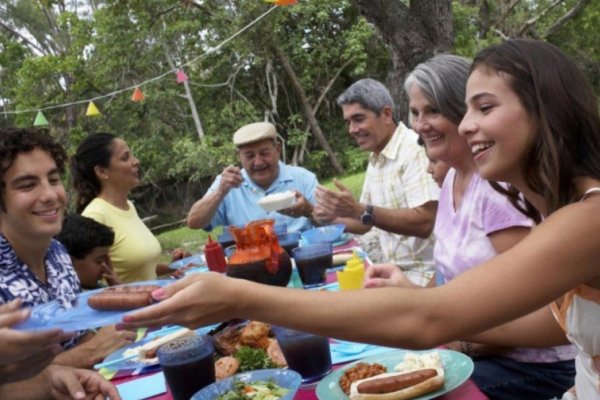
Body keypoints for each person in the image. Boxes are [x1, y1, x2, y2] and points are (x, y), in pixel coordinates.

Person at [122, 39, 600, 399]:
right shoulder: (549, 205)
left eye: (484, 107)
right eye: (465, 108)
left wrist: (238, 294)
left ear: (545, 109)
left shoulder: (587, 219)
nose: (466, 123)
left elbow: (428, 317)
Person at [364, 54, 575, 399]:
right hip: (475, 349)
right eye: (415, 113)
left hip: (536, 366)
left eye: (432, 110)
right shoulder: (451, 182)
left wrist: (460, 338)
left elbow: (547, 309)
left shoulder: (498, 188)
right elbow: (449, 281)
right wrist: (412, 294)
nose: (419, 125)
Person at [0, 127, 134, 381]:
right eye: (27, 185)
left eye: (53, 179)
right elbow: (9, 383)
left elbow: (78, 335)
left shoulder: (58, 253)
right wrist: (92, 350)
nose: (50, 195)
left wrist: (114, 336)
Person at [314, 79, 439, 286]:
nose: (352, 129)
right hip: (394, 273)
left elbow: (425, 222)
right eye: (348, 122)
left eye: (358, 119)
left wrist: (360, 210)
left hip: (427, 278)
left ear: (386, 114)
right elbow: (363, 224)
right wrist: (318, 213)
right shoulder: (376, 158)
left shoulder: (413, 150)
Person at [71, 132, 181, 283]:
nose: (136, 161)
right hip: (134, 305)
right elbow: (93, 283)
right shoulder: (95, 216)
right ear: (102, 171)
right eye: (125, 157)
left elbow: (140, 269)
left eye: (132, 156)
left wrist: (175, 266)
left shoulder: (128, 206)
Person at [186, 121, 319, 234]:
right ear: (239, 156)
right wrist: (220, 193)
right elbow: (194, 222)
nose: (258, 162)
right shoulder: (227, 183)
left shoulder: (304, 178)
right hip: (250, 260)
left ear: (277, 149)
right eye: (249, 156)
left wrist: (309, 211)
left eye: (264, 153)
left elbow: (333, 225)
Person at [56, 214, 121, 289]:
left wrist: (119, 288)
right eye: (99, 261)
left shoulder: (99, 287)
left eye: (106, 259)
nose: (105, 268)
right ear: (68, 262)